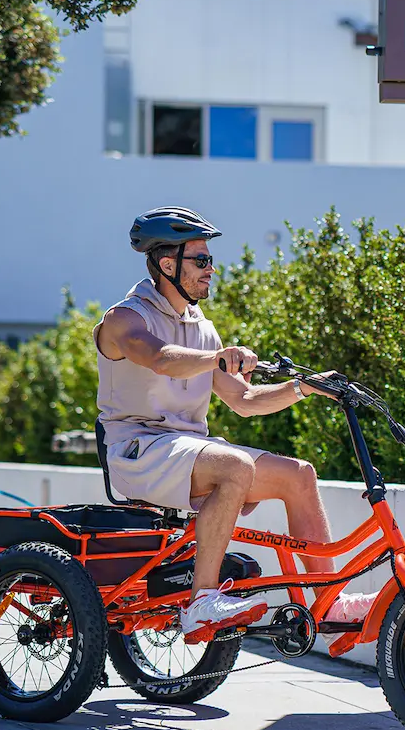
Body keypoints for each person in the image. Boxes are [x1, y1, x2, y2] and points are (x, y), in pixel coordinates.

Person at [94, 206, 377, 645]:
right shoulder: (125, 318)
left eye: (210, 260)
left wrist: (303, 388)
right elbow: (159, 359)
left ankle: (329, 602)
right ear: (167, 264)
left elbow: (243, 401)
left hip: (188, 452)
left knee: (298, 475)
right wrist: (219, 357)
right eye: (201, 260)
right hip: (138, 450)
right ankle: (202, 602)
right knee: (233, 466)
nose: (212, 269)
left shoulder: (202, 329)